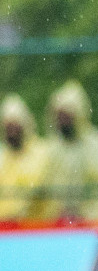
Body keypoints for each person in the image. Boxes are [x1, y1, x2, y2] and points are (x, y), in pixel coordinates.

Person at [36, 80, 98, 225]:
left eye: (66, 116)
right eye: (59, 116)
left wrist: (87, 218)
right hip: (55, 225)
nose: (62, 122)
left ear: (79, 115)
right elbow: (41, 189)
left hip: (90, 226)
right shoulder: (52, 148)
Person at [0, 94, 50, 223]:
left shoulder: (42, 153)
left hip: (36, 228)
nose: (11, 133)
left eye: (15, 127)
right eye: (8, 128)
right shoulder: (2, 156)